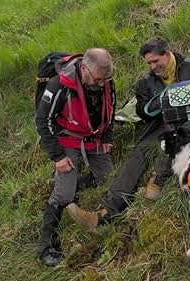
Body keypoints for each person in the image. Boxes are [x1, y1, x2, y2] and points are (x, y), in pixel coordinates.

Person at [66, 36, 190, 230]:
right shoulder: (146, 83)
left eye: (156, 61)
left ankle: (158, 178)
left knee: (187, 131)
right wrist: (160, 101)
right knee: (138, 154)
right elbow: (142, 112)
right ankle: (104, 214)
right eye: (148, 63)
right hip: (162, 124)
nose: (152, 67)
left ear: (167, 54)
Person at [35, 48, 116, 267]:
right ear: (83, 69)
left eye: (105, 79)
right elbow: (43, 121)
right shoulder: (59, 85)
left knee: (107, 179)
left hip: (93, 137)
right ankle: (47, 247)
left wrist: (107, 136)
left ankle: (64, 182)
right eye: (98, 79)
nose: (101, 84)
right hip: (67, 140)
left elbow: (111, 108)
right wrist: (58, 157)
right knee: (64, 196)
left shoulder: (105, 81)